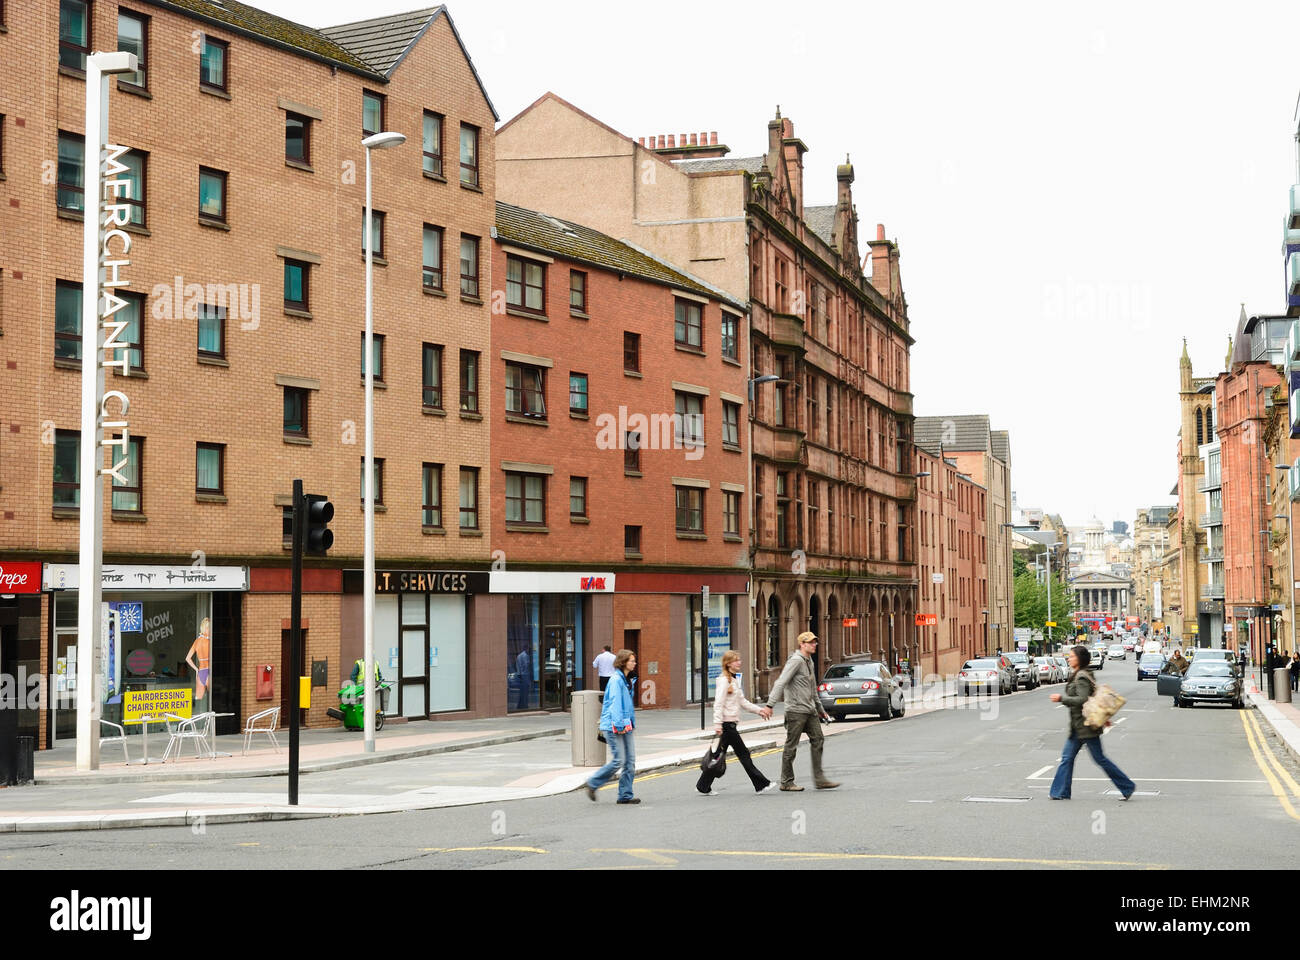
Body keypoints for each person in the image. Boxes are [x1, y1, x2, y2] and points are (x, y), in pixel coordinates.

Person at [1048, 645, 1135, 801]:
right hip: (1079, 726)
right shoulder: (1081, 674)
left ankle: (1127, 786)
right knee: (1067, 758)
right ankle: (1061, 792)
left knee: (1098, 759)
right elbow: (1092, 697)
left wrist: (1061, 699)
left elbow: (1082, 699)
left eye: (1072, 656)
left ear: (1079, 659)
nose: (1069, 658)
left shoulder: (1081, 676)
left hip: (1085, 726)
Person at [760, 631, 839, 792]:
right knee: (791, 746)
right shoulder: (795, 661)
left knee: (818, 739)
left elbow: (813, 689)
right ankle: (786, 782)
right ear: (802, 644)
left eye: (815, 642)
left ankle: (819, 779)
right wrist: (769, 705)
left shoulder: (809, 661)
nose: (814, 644)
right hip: (795, 710)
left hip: (809, 710)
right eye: (810, 642)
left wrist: (821, 710)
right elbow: (780, 682)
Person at [697, 650, 775, 796]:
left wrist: (760, 711)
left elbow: (742, 702)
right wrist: (717, 723)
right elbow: (718, 703)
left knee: (718, 756)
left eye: (739, 659)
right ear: (728, 664)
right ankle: (761, 784)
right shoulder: (724, 681)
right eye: (736, 660)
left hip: (730, 724)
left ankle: (703, 785)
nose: (739, 662)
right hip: (727, 725)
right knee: (744, 754)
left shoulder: (733, 680)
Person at [583, 649, 639, 804]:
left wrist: (630, 723)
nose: (634, 663)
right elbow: (615, 703)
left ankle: (625, 795)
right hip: (614, 726)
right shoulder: (616, 680)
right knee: (619, 760)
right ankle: (592, 783)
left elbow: (626, 705)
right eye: (632, 660)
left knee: (630, 761)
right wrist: (619, 724)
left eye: (634, 660)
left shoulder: (628, 680)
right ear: (623, 662)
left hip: (626, 724)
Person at [185, 617, 212, 701]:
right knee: (212, 701)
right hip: (209, 672)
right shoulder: (209, 642)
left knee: (199, 701)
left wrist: (196, 669)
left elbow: (188, 658)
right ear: (206, 628)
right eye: (210, 628)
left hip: (201, 673)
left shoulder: (197, 641)